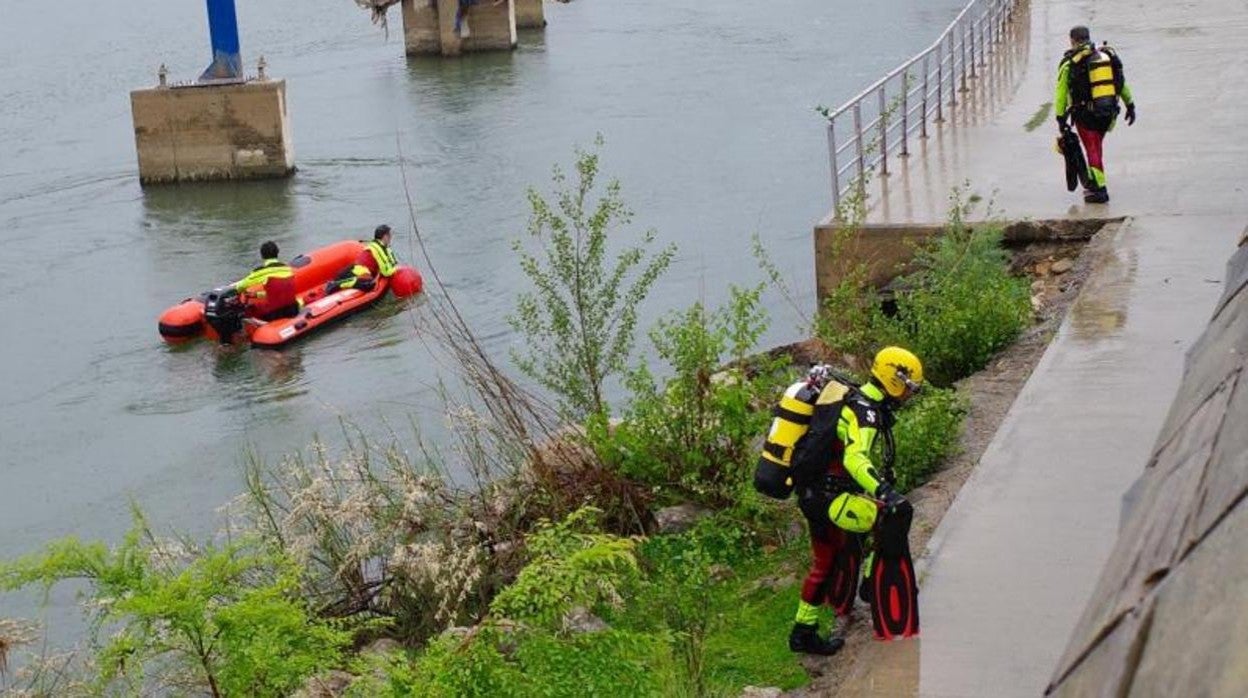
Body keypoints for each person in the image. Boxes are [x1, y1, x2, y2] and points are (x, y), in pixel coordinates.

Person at [784, 347, 924, 654]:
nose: (909, 396)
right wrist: (884, 491)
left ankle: (802, 631)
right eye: (909, 388)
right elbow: (855, 459)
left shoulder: (855, 397)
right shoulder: (867, 412)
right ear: (895, 380)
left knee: (824, 562)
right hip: (830, 497)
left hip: (811, 494)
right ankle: (871, 584)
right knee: (887, 517)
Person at [1055, 25, 1136, 204]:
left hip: (1086, 116)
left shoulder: (1070, 63)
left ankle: (1100, 190)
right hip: (1108, 114)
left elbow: (1060, 93)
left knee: (1093, 149)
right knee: (1096, 147)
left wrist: (1060, 118)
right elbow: (1120, 83)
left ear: (1073, 40)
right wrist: (1130, 104)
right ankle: (1094, 184)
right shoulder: (1106, 57)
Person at [234, 241, 299, 321]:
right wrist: (257, 295)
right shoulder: (288, 269)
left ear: (262, 255)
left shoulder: (260, 272)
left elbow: (240, 286)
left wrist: (241, 292)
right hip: (293, 310)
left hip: (275, 314)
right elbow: (276, 293)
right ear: (277, 253)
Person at [325, 224, 399, 294]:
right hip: (355, 272)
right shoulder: (377, 249)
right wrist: (396, 269)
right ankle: (335, 284)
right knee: (369, 284)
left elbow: (392, 262)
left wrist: (393, 266)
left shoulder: (381, 247)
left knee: (366, 280)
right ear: (385, 236)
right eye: (389, 235)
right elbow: (385, 272)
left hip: (353, 270)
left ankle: (335, 283)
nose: (391, 237)